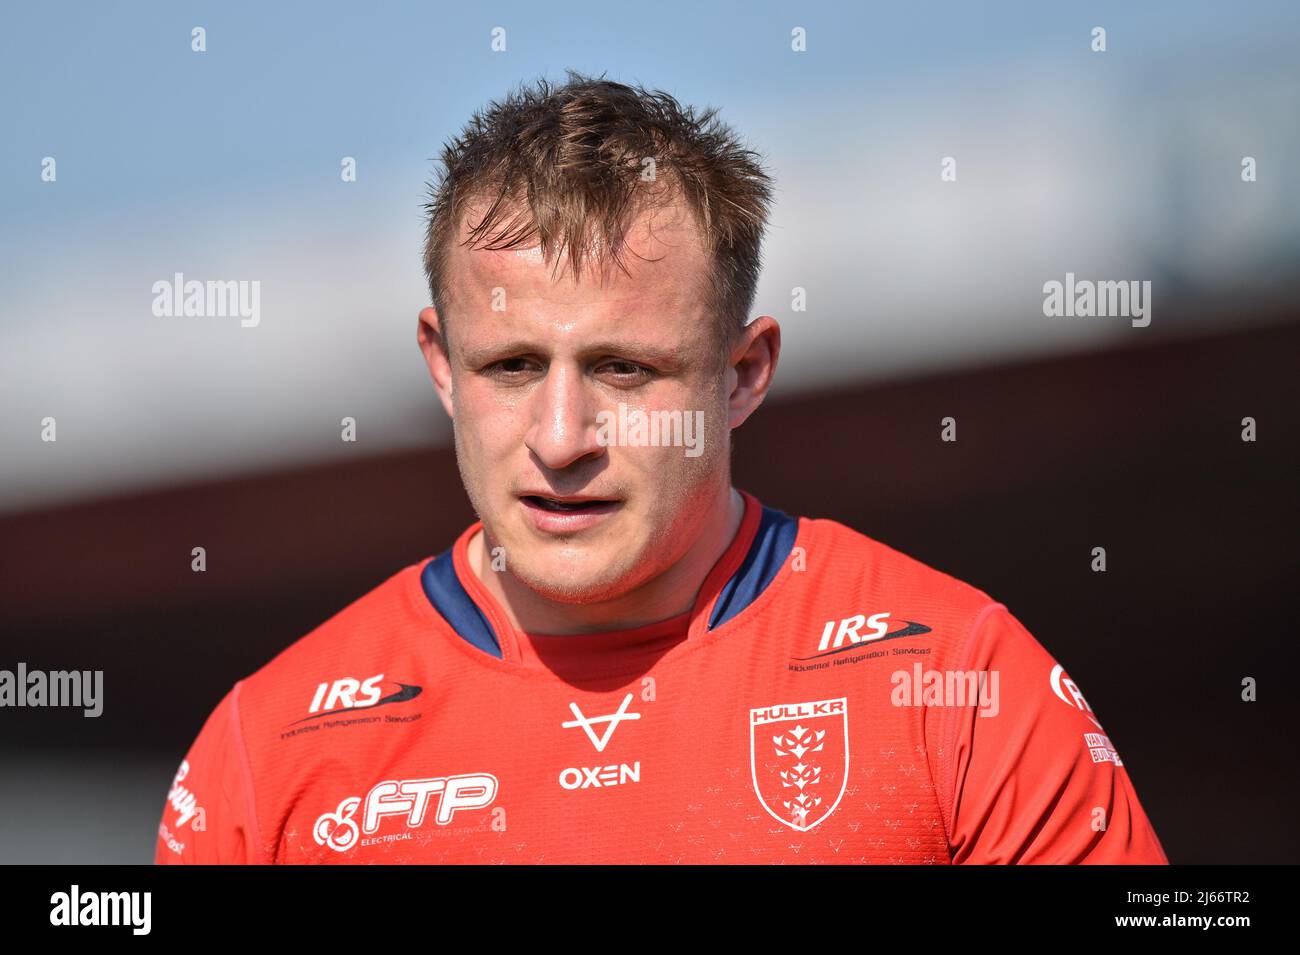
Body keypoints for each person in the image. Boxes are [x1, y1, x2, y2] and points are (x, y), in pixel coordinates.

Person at [155, 71, 1168, 865]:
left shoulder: (955, 678)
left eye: (624, 369)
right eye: (510, 366)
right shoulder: (272, 749)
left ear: (743, 373)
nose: (560, 438)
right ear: (440, 364)